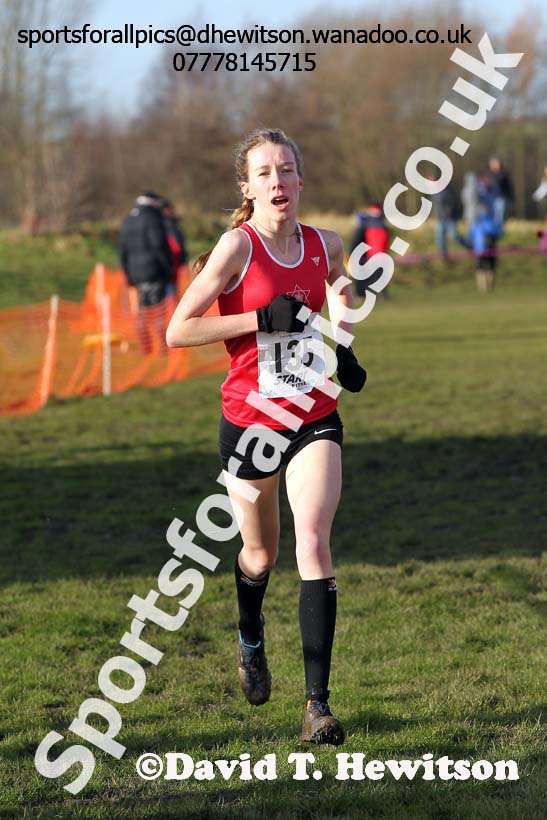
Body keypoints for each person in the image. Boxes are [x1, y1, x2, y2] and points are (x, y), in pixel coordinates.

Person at [166, 128, 367, 745]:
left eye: (286, 170)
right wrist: (260, 319)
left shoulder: (325, 243)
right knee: (261, 555)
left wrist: (345, 342)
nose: (278, 181)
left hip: (312, 411)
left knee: (313, 538)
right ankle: (250, 639)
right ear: (248, 188)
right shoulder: (237, 247)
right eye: (265, 173)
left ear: (301, 180)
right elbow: (178, 331)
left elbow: (341, 286)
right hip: (252, 421)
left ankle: (317, 707)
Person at [119, 192, 173, 353]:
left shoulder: (127, 221)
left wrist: (129, 276)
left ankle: (146, 346)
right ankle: (163, 347)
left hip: (136, 276)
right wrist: (167, 269)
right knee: (158, 311)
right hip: (154, 273)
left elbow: (122, 252)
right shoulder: (153, 220)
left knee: (142, 312)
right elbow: (158, 246)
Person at [349, 203, 390, 297]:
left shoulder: (364, 225)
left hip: (368, 256)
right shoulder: (383, 225)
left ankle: (365, 294)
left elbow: (356, 241)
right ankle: (379, 294)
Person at [431, 182, 468, 259]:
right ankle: (444, 255)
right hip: (441, 219)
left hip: (449, 219)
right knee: (440, 237)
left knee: (454, 235)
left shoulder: (449, 193)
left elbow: (451, 205)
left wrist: (447, 214)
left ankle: (468, 246)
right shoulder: (436, 194)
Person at [160, 198, 188, 297]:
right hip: (171, 266)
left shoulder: (159, 223)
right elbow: (178, 246)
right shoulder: (170, 224)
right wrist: (183, 258)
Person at [487, 157, 514, 226]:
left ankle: (498, 230)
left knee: (500, 217)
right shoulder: (488, 174)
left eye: (496, 164)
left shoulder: (503, 175)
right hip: (490, 199)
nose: (495, 166)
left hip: (500, 198)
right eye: (493, 164)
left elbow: (508, 187)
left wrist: (511, 198)